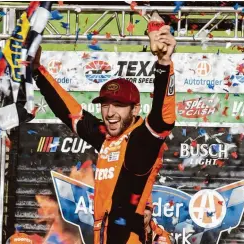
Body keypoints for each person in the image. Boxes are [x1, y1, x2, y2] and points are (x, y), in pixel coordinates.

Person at [32, 18, 176, 244]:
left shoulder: (142, 139)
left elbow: (162, 119)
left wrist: (164, 63)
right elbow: (72, 113)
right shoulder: (108, 138)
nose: (109, 112)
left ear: (135, 109)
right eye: (105, 105)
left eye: (118, 105)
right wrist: (37, 71)